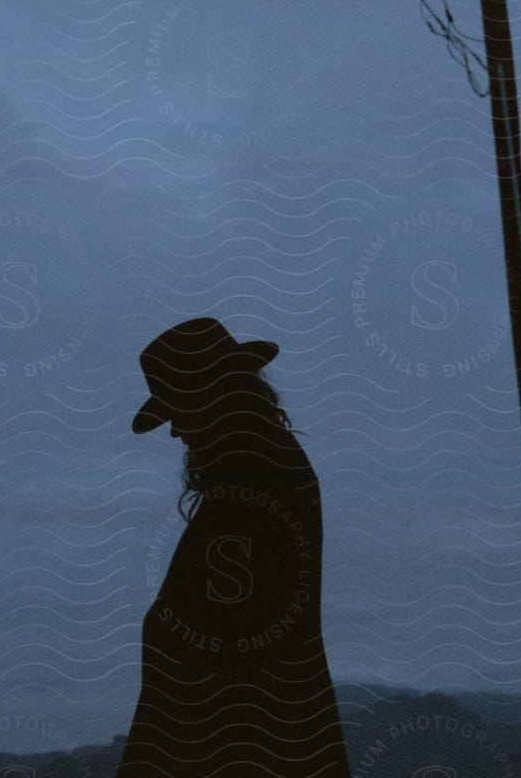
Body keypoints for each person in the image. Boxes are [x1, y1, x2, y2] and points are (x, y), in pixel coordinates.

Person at [118, 317, 352, 778]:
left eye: (180, 409)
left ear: (211, 399)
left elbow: (227, 625)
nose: (176, 431)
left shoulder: (257, 472)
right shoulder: (267, 465)